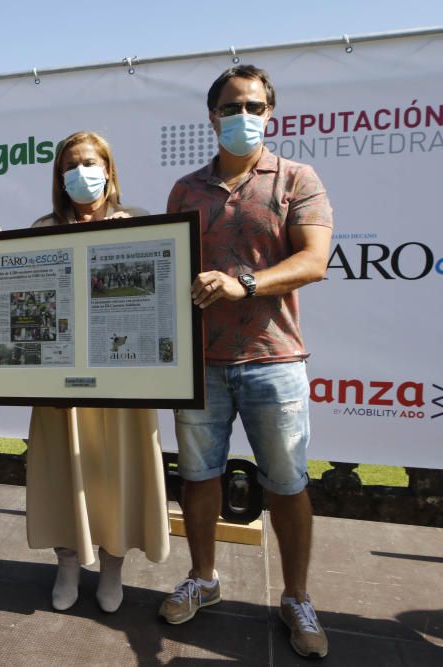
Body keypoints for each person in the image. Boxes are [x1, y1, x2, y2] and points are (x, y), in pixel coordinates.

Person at [158, 65, 333, 660]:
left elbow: (314, 261)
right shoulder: (185, 190)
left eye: (255, 106)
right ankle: (203, 578)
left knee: (286, 484)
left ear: (271, 112)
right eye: (233, 107)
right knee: (199, 478)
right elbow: (169, 269)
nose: (245, 116)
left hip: (273, 359)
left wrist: (244, 283)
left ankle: (297, 596)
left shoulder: (296, 178)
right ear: (213, 116)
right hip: (200, 363)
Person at [26, 132, 170, 613]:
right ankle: (67, 564)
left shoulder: (143, 225)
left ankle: (112, 568)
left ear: (108, 169)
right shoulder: (42, 228)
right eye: (70, 166)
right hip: (60, 386)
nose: (80, 174)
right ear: (58, 176)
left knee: (117, 477)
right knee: (61, 474)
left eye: (89, 163)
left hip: (124, 385)